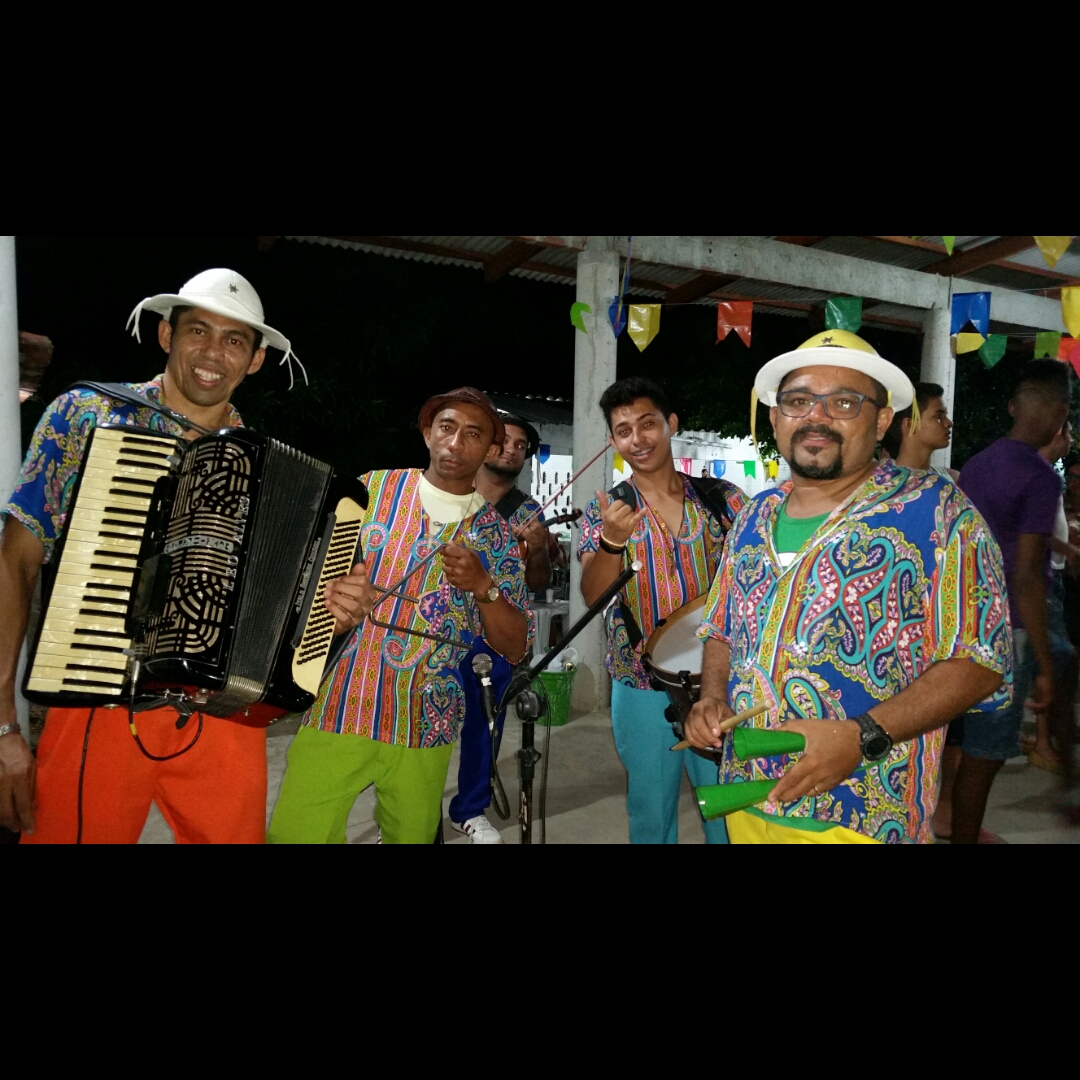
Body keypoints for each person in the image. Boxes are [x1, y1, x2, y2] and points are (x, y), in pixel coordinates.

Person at [0, 269, 370, 843]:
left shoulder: (268, 471)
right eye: (198, 330)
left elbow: (291, 617)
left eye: (234, 339)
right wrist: (3, 725)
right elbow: (15, 563)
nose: (213, 352)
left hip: (223, 709)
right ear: (166, 335)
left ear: (254, 360)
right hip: (99, 693)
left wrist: (333, 612)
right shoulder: (87, 414)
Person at [685, 330, 1011, 844]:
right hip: (746, 800)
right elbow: (722, 629)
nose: (816, 417)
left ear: (881, 421)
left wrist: (863, 735)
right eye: (798, 401)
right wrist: (710, 698)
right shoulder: (753, 516)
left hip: (864, 813)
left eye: (843, 402)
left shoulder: (939, 513)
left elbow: (981, 661)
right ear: (775, 418)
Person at [267, 387, 531, 845]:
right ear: (428, 433)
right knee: (296, 833)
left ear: (491, 450)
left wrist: (483, 587)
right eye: (446, 427)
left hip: (426, 721)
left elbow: (515, 645)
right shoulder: (369, 489)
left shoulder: (497, 535)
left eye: (473, 434)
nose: (456, 442)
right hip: (340, 704)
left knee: (411, 836)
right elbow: (303, 578)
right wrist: (335, 602)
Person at [578, 377, 744, 844]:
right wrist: (611, 542)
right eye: (623, 430)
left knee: (728, 810)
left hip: (722, 677)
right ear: (614, 441)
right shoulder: (607, 510)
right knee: (651, 812)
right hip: (641, 683)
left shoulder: (724, 499)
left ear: (671, 424)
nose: (638, 438)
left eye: (647, 423)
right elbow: (593, 596)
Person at [955, 361, 1075, 842]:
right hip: (1011, 629)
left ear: (1012, 406)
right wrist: (1042, 665)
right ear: (1060, 412)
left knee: (972, 748)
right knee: (985, 755)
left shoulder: (978, 464)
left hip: (968, 618)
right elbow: (1026, 574)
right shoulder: (1041, 477)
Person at [450, 412, 549, 843]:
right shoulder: (450, 492)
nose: (511, 450)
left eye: (521, 445)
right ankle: (405, 813)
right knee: (422, 725)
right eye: (505, 440)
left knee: (485, 728)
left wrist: (539, 549)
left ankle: (469, 809)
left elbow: (539, 581)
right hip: (441, 630)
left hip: (498, 637)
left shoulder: (529, 510)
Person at [881, 380, 959, 481]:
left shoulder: (953, 479)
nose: (949, 423)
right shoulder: (883, 483)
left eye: (945, 416)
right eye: (938, 417)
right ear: (909, 424)